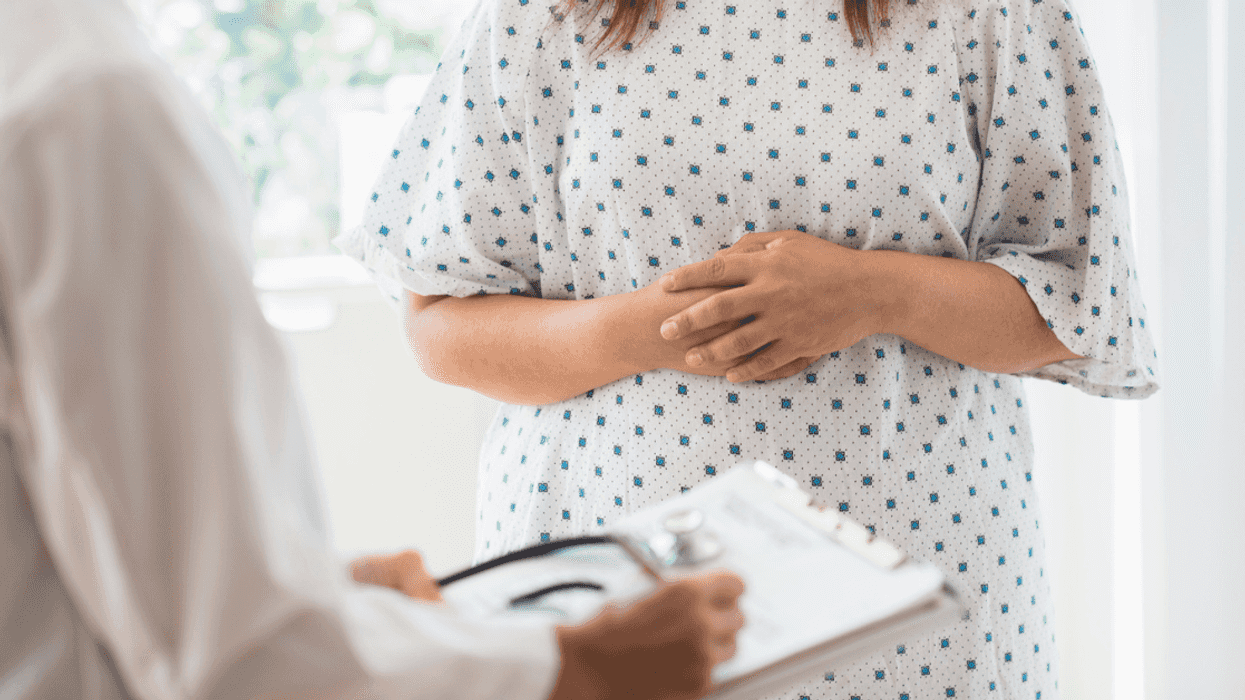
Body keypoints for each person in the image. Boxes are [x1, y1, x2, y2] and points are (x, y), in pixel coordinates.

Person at [339, 0, 1161, 697]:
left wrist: (873, 292)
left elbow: (1078, 308)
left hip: (919, 601)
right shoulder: (540, 15)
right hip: (610, 593)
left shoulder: (989, 12)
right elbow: (441, 324)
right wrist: (647, 330)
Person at [0, 0, 748, 698]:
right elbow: (242, 658)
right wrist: (573, 668)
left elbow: (119, 557)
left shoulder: (54, 86)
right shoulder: (87, 108)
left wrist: (332, 594)